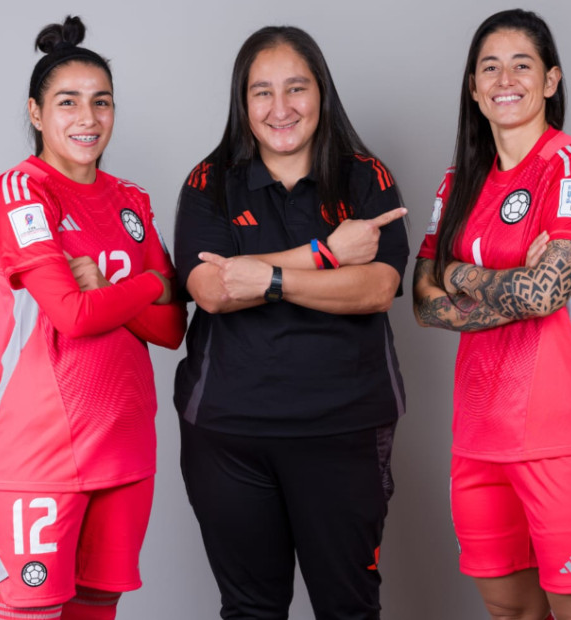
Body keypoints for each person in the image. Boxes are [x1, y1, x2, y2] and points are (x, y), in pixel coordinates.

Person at [173, 25, 409, 620]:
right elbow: (212, 289)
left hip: (344, 429)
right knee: (250, 610)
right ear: (242, 101)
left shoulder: (365, 177)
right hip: (230, 437)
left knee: (349, 609)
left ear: (321, 94)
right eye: (262, 92)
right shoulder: (209, 182)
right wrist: (325, 256)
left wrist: (268, 280)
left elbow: (378, 287)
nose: (281, 109)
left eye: (296, 88)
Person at [412, 9, 571, 620]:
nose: (505, 78)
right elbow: (421, 302)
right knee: (509, 612)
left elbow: (544, 294)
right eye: (490, 67)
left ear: (551, 81)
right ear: (475, 88)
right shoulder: (456, 184)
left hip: (565, 442)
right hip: (478, 443)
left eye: (522, 64)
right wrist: (494, 282)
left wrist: (457, 275)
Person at [0, 15, 186, 620]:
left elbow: (172, 331)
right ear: (37, 113)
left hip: (125, 451)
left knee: (98, 610)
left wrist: (114, 289)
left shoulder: (130, 201)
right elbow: (71, 314)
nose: (87, 119)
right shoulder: (20, 192)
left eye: (102, 103)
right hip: (39, 456)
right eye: (67, 103)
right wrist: (150, 283)